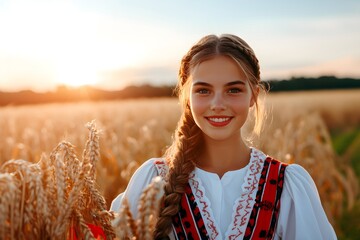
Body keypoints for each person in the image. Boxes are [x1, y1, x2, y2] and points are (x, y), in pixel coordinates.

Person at [111, 34, 337, 239]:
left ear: (253, 96)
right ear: (187, 97)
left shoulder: (287, 186)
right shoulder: (153, 183)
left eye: (233, 90)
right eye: (203, 90)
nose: (217, 104)